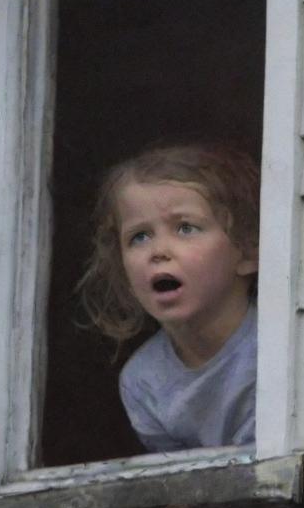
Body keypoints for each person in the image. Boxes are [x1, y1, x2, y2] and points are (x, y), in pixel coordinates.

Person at [79, 144, 260, 452]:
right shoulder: (143, 381)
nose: (158, 251)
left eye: (185, 228)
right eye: (140, 237)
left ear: (248, 250)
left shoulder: (275, 347)